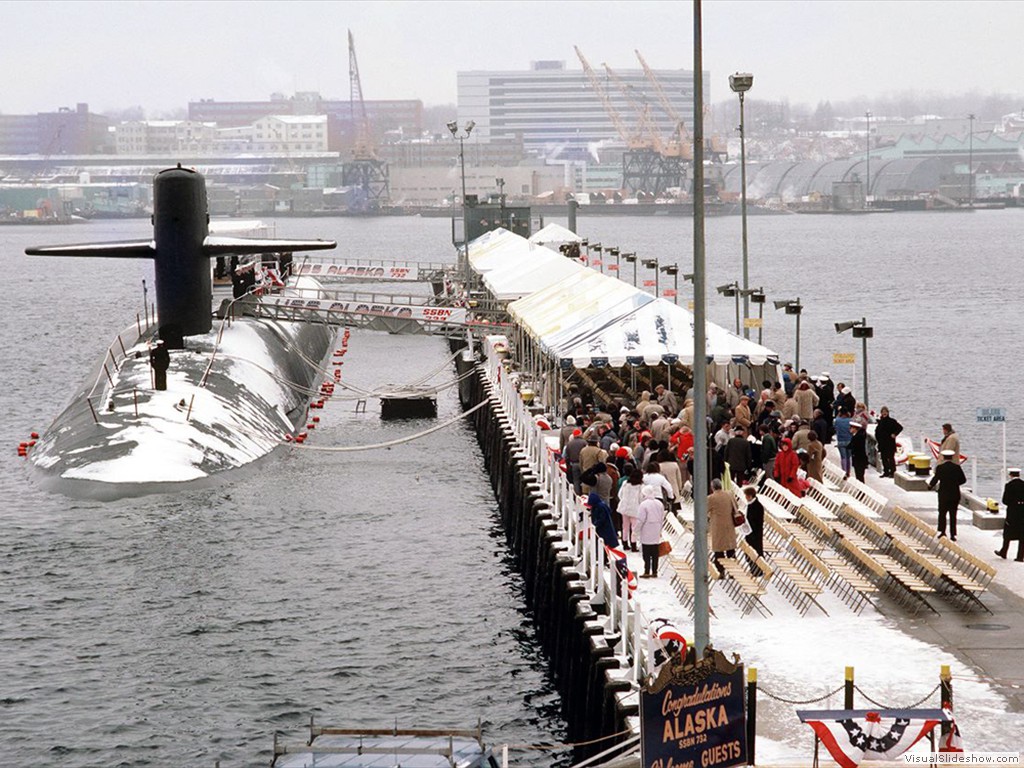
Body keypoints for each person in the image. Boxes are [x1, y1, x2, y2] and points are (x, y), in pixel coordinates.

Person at [928, 450, 967, 540]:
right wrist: (955, 484)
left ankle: (942, 532)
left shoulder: (940, 468)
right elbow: (963, 480)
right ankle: (953, 534)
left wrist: (930, 486)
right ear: (952, 457)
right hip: (954, 493)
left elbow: (936, 478)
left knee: (942, 513)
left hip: (943, 494)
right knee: (953, 514)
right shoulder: (957, 468)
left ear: (943, 457)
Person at [707, 478, 738, 577]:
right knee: (730, 549)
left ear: (712, 487)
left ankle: (720, 572)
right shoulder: (729, 494)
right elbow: (736, 506)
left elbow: (704, 510)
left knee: (719, 550)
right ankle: (733, 571)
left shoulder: (711, 498)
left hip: (717, 526)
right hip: (730, 525)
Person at [636, 485, 666, 578]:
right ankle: (654, 571)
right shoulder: (659, 503)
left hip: (646, 528)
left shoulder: (644, 505)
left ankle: (646, 570)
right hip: (657, 527)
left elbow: (641, 519)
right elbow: (662, 516)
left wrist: (635, 530)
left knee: (646, 552)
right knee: (655, 551)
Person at [996, 468, 1024, 561]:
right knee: (1022, 534)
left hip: (1013, 511)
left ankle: (1004, 552)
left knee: (1008, 532)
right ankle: (1020, 556)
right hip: (1023, 511)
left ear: (1010, 475)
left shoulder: (1009, 485)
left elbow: (1005, 500)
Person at [618, 468, 644, 552]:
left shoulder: (625, 483)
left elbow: (620, 494)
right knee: (634, 528)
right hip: (635, 509)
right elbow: (641, 498)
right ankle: (633, 545)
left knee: (624, 527)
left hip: (624, 507)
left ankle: (625, 543)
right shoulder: (641, 486)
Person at [875, 406, 903, 478]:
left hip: (890, 443)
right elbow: (877, 431)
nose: (884, 413)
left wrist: (895, 434)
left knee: (890, 458)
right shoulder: (880, 422)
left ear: (888, 413)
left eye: (885, 412)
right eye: (883, 412)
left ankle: (893, 472)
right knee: (884, 458)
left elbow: (900, 427)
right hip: (882, 443)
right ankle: (886, 472)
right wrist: (878, 439)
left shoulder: (892, 421)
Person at [742, 486, 765, 574]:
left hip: (755, 533)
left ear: (751, 495)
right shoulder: (751, 505)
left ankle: (758, 570)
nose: (746, 498)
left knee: (756, 551)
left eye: (747, 496)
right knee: (750, 552)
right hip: (749, 531)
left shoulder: (758, 506)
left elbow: (756, 521)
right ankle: (753, 569)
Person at [834, 409, 853, 478]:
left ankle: (844, 472)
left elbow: (835, 427)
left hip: (841, 441)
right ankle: (848, 472)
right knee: (848, 457)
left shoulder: (837, 420)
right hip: (849, 440)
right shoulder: (850, 421)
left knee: (843, 457)